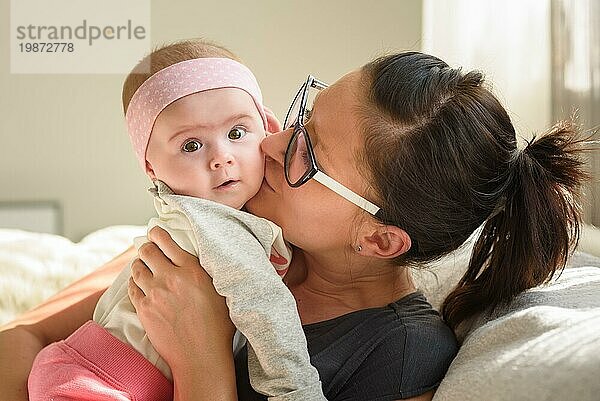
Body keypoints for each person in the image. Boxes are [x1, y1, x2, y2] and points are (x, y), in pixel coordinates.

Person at [1, 50, 589, 401]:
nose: (272, 141)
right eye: (300, 114)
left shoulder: (398, 357)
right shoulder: (228, 232)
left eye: (309, 153)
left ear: (380, 239)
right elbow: (20, 338)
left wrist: (202, 362)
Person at [26, 39, 325, 401]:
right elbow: (267, 313)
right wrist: (298, 392)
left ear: (268, 126)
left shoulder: (232, 218)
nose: (221, 158)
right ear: (152, 169)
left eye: (236, 133)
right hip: (104, 380)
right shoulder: (214, 226)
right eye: (191, 146)